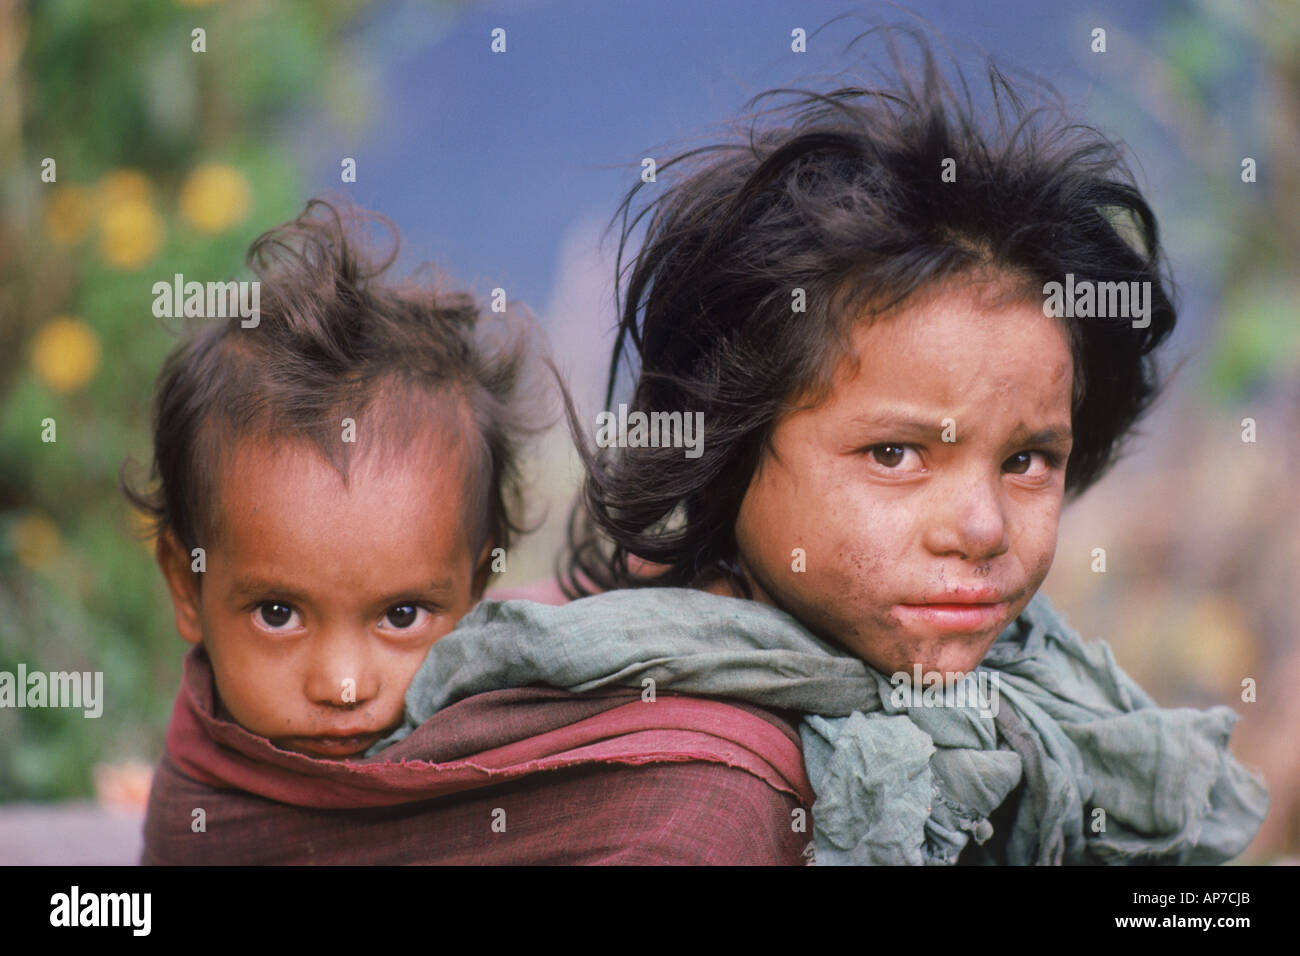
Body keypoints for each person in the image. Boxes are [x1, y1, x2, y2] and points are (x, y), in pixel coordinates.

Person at [378, 33, 1269, 864]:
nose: (980, 526)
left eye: (1026, 459)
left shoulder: (1034, 702)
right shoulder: (696, 805)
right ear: (728, 444)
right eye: (894, 454)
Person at [129, 199, 811, 864]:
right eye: (278, 613)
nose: (342, 685)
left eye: (402, 615)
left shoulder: (545, 755)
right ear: (185, 586)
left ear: (477, 584)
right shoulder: (209, 799)